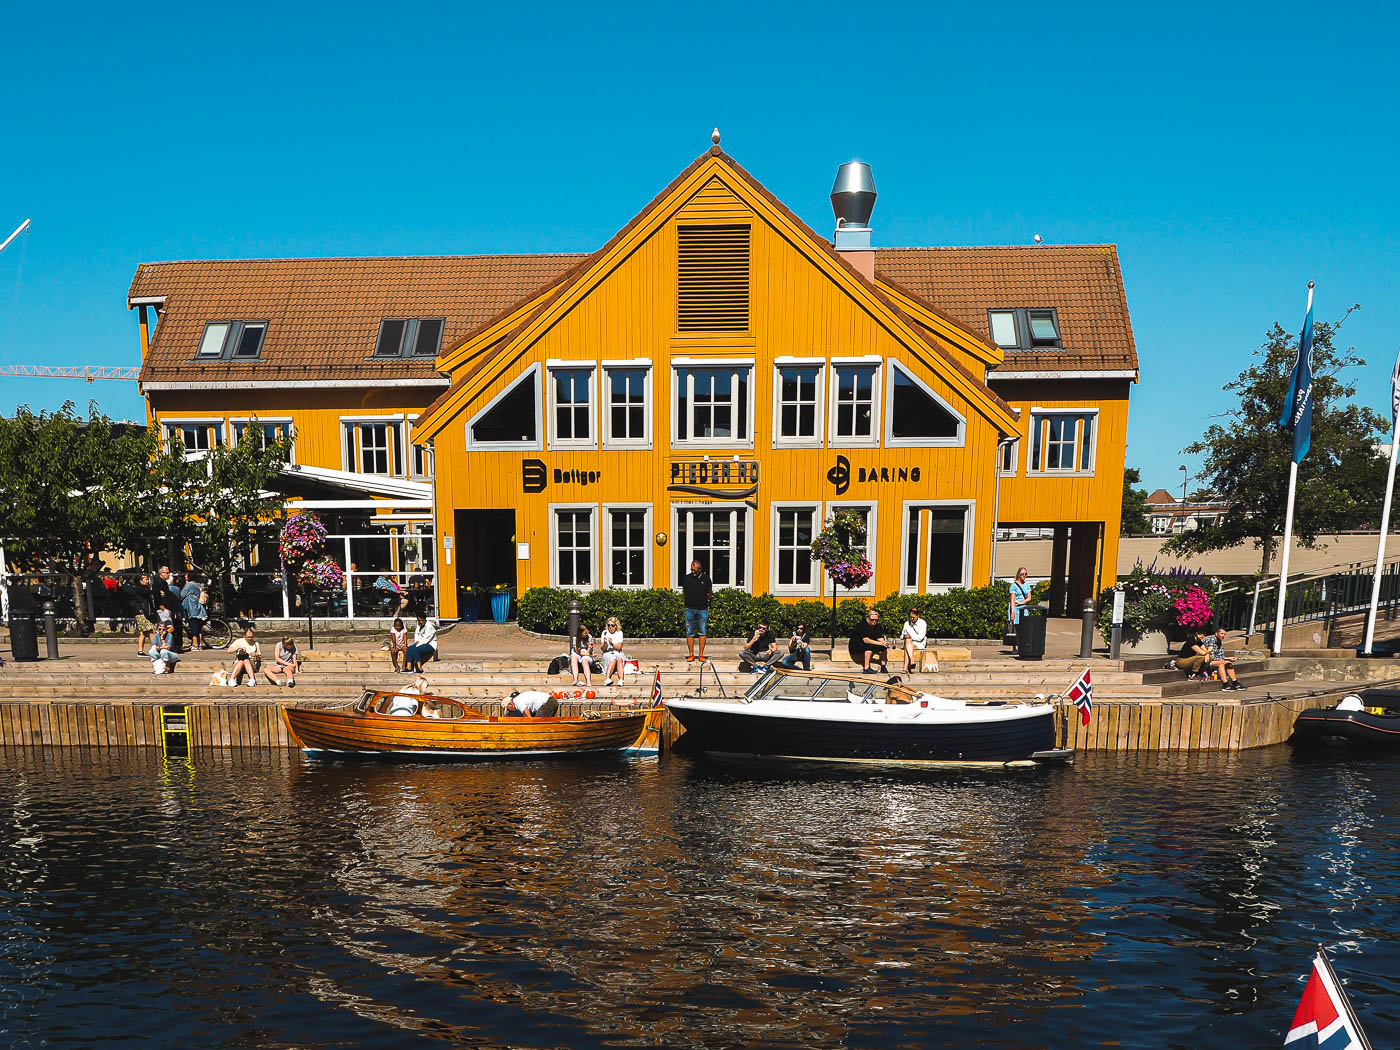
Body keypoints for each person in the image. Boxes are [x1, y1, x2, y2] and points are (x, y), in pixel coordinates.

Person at [681, 559, 713, 663]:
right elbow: (684, 591)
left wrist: (702, 600)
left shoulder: (706, 579)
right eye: (692, 570)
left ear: (700, 569)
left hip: (702, 609)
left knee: (702, 631)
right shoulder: (686, 579)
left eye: (695, 570)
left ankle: (701, 655)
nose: (693, 572)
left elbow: (709, 592)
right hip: (689, 608)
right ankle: (691, 654)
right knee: (689, 632)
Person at [128, 571, 157, 657]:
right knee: (151, 630)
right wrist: (156, 590)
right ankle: (154, 648)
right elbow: (147, 593)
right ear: (140, 580)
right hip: (141, 612)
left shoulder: (145, 588)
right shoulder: (139, 588)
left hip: (143, 612)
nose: (147, 581)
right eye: (145, 579)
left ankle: (140, 651)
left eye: (148, 579)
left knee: (144, 632)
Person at [157, 565, 184, 652]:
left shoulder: (164, 583)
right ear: (161, 573)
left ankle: (171, 646)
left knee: (172, 628)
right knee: (168, 628)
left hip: (168, 608)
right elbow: (158, 596)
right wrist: (164, 609)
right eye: (167, 573)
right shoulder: (158, 583)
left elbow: (169, 596)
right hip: (164, 609)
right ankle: (166, 645)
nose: (168, 574)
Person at [181, 573, 208, 651]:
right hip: (198, 607)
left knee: (193, 625)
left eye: (186, 575)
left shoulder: (189, 585)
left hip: (192, 607)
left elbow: (182, 595)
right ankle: (200, 644)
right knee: (198, 626)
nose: (185, 576)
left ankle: (195, 644)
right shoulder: (197, 584)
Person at [1008, 567, 1032, 653]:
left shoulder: (1027, 585)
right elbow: (1012, 599)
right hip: (1016, 608)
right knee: (1016, 629)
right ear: (1018, 574)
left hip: (1023, 607)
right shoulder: (1013, 585)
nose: (1024, 576)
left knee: (1024, 628)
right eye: (1022, 574)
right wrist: (1012, 612)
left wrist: (1022, 603)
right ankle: (1014, 647)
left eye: (1025, 574)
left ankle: (1022, 646)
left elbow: (1029, 598)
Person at [600, 617, 628, 686]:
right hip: (608, 653)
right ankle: (607, 679)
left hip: (617, 652)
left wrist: (611, 643)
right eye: (609, 625)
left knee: (619, 659)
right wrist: (605, 643)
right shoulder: (605, 633)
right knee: (613, 659)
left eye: (612, 625)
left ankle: (621, 680)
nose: (610, 627)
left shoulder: (619, 633)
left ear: (616, 625)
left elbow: (619, 647)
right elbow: (602, 649)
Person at [900, 608, 928, 673]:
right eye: (910, 617)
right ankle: (912, 661)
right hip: (909, 642)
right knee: (908, 642)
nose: (911, 619)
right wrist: (904, 636)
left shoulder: (922, 623)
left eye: (913, 617)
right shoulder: (906, 623)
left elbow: (920, 637)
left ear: (918, 616)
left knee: (908, 645)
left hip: (919, 643)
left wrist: (911, 637)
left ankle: (905, 668)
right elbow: (901, 635)